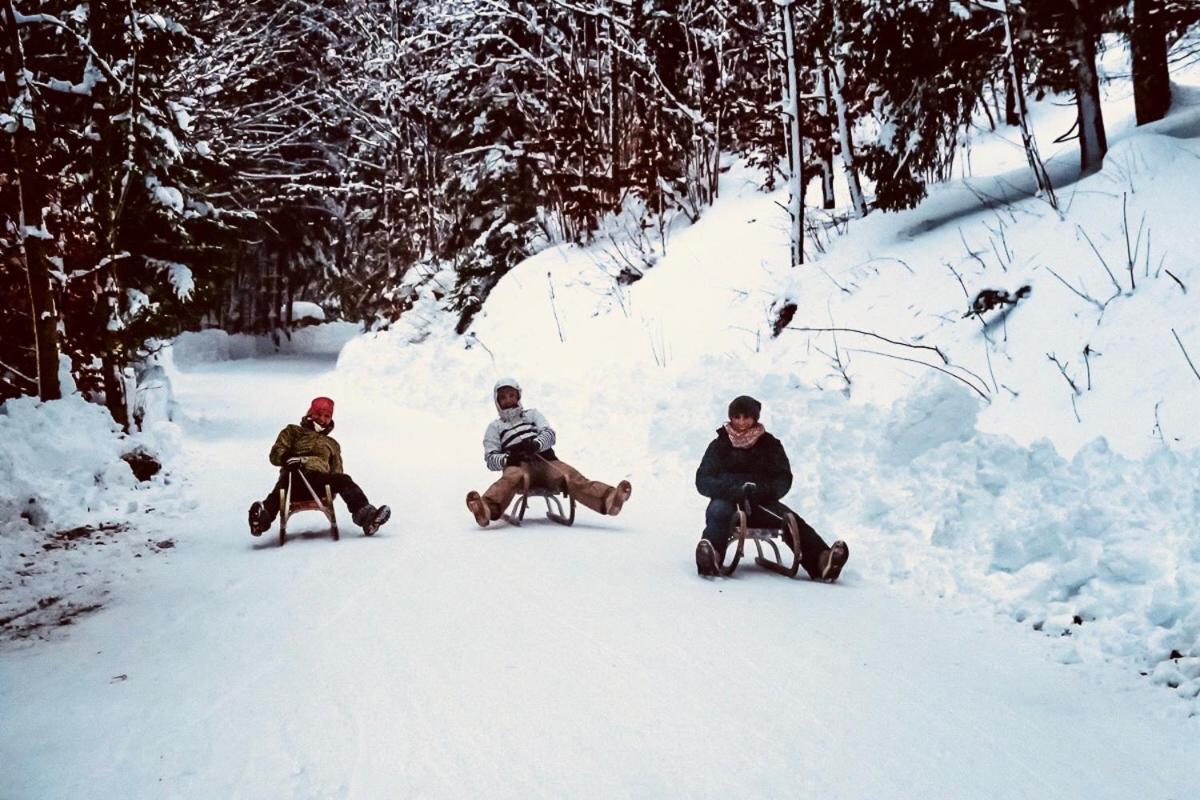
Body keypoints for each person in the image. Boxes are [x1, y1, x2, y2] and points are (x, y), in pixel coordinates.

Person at [694, 395, 848, 581]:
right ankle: (711, 556)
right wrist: (730, 489)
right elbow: (703, 480)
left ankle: (821, 561)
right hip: (727, 500)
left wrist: (762, 491)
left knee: (790, 521)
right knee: (717, 513)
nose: (741, 422)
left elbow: (783, 478)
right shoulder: (719, 445)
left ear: (755, 418)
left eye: (747, 417)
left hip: (759, 502)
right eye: (737, 417)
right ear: (731, 418)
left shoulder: (769, 445)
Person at [465, 378, 632, 527]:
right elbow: (490, 458)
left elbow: (549, 434)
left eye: (511, 395)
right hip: (518, 465)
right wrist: (509, 458)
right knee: (510, 479)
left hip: (545, 461)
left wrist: (537, 444)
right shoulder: (495, 427)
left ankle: (609, 499)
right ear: (497, 402)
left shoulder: (532, 415)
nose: (508, 400)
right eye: (503, 397)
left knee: (570, 476)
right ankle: (486, 508)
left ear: (518, 396)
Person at [247, 396, 390, 536]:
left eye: (327, 416)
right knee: (281, 489)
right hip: (293, 479)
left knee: (343, 479)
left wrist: (332, 489)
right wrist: (286, 457)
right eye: (319, 414)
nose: (322, 419)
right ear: (310, 413)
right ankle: (261, 519)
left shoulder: (332, 444)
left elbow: (337, 470)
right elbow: (275, 454)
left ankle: (367, 516)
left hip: (318, 481)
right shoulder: (293, 431)